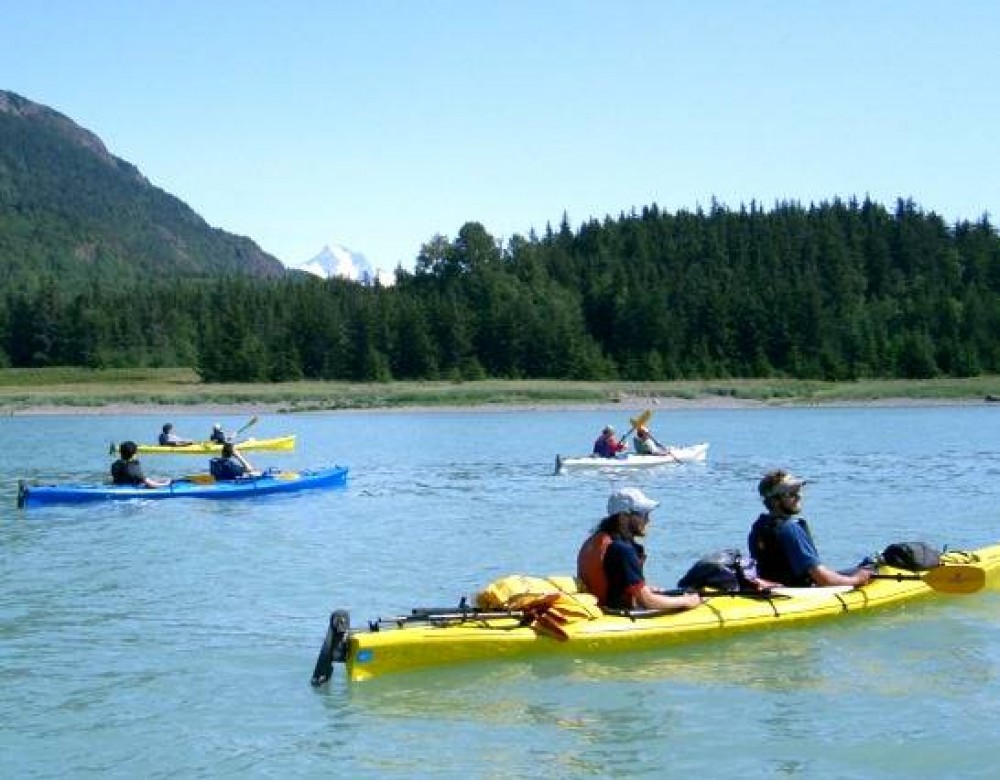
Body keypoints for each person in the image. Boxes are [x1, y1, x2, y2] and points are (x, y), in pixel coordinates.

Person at [577, 487, 703, 611]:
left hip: (602, 609)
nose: (648, 520)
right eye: (643, 514)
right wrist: (686, 601)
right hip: (618, 616)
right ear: (623, 517)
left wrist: (644, 589)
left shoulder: (595, 541)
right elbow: (647, 601)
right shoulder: (622, 550)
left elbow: (614, 583)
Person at [748, 469, 873, 588]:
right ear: (775, 501)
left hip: (776, 591)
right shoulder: (789, 529)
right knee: (869, 570)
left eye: (799, 491)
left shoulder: (758, 527)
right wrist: (857, 579)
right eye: (791, 494)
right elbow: (823, 579)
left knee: (865, 566)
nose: (799, 496)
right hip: (800, 593)